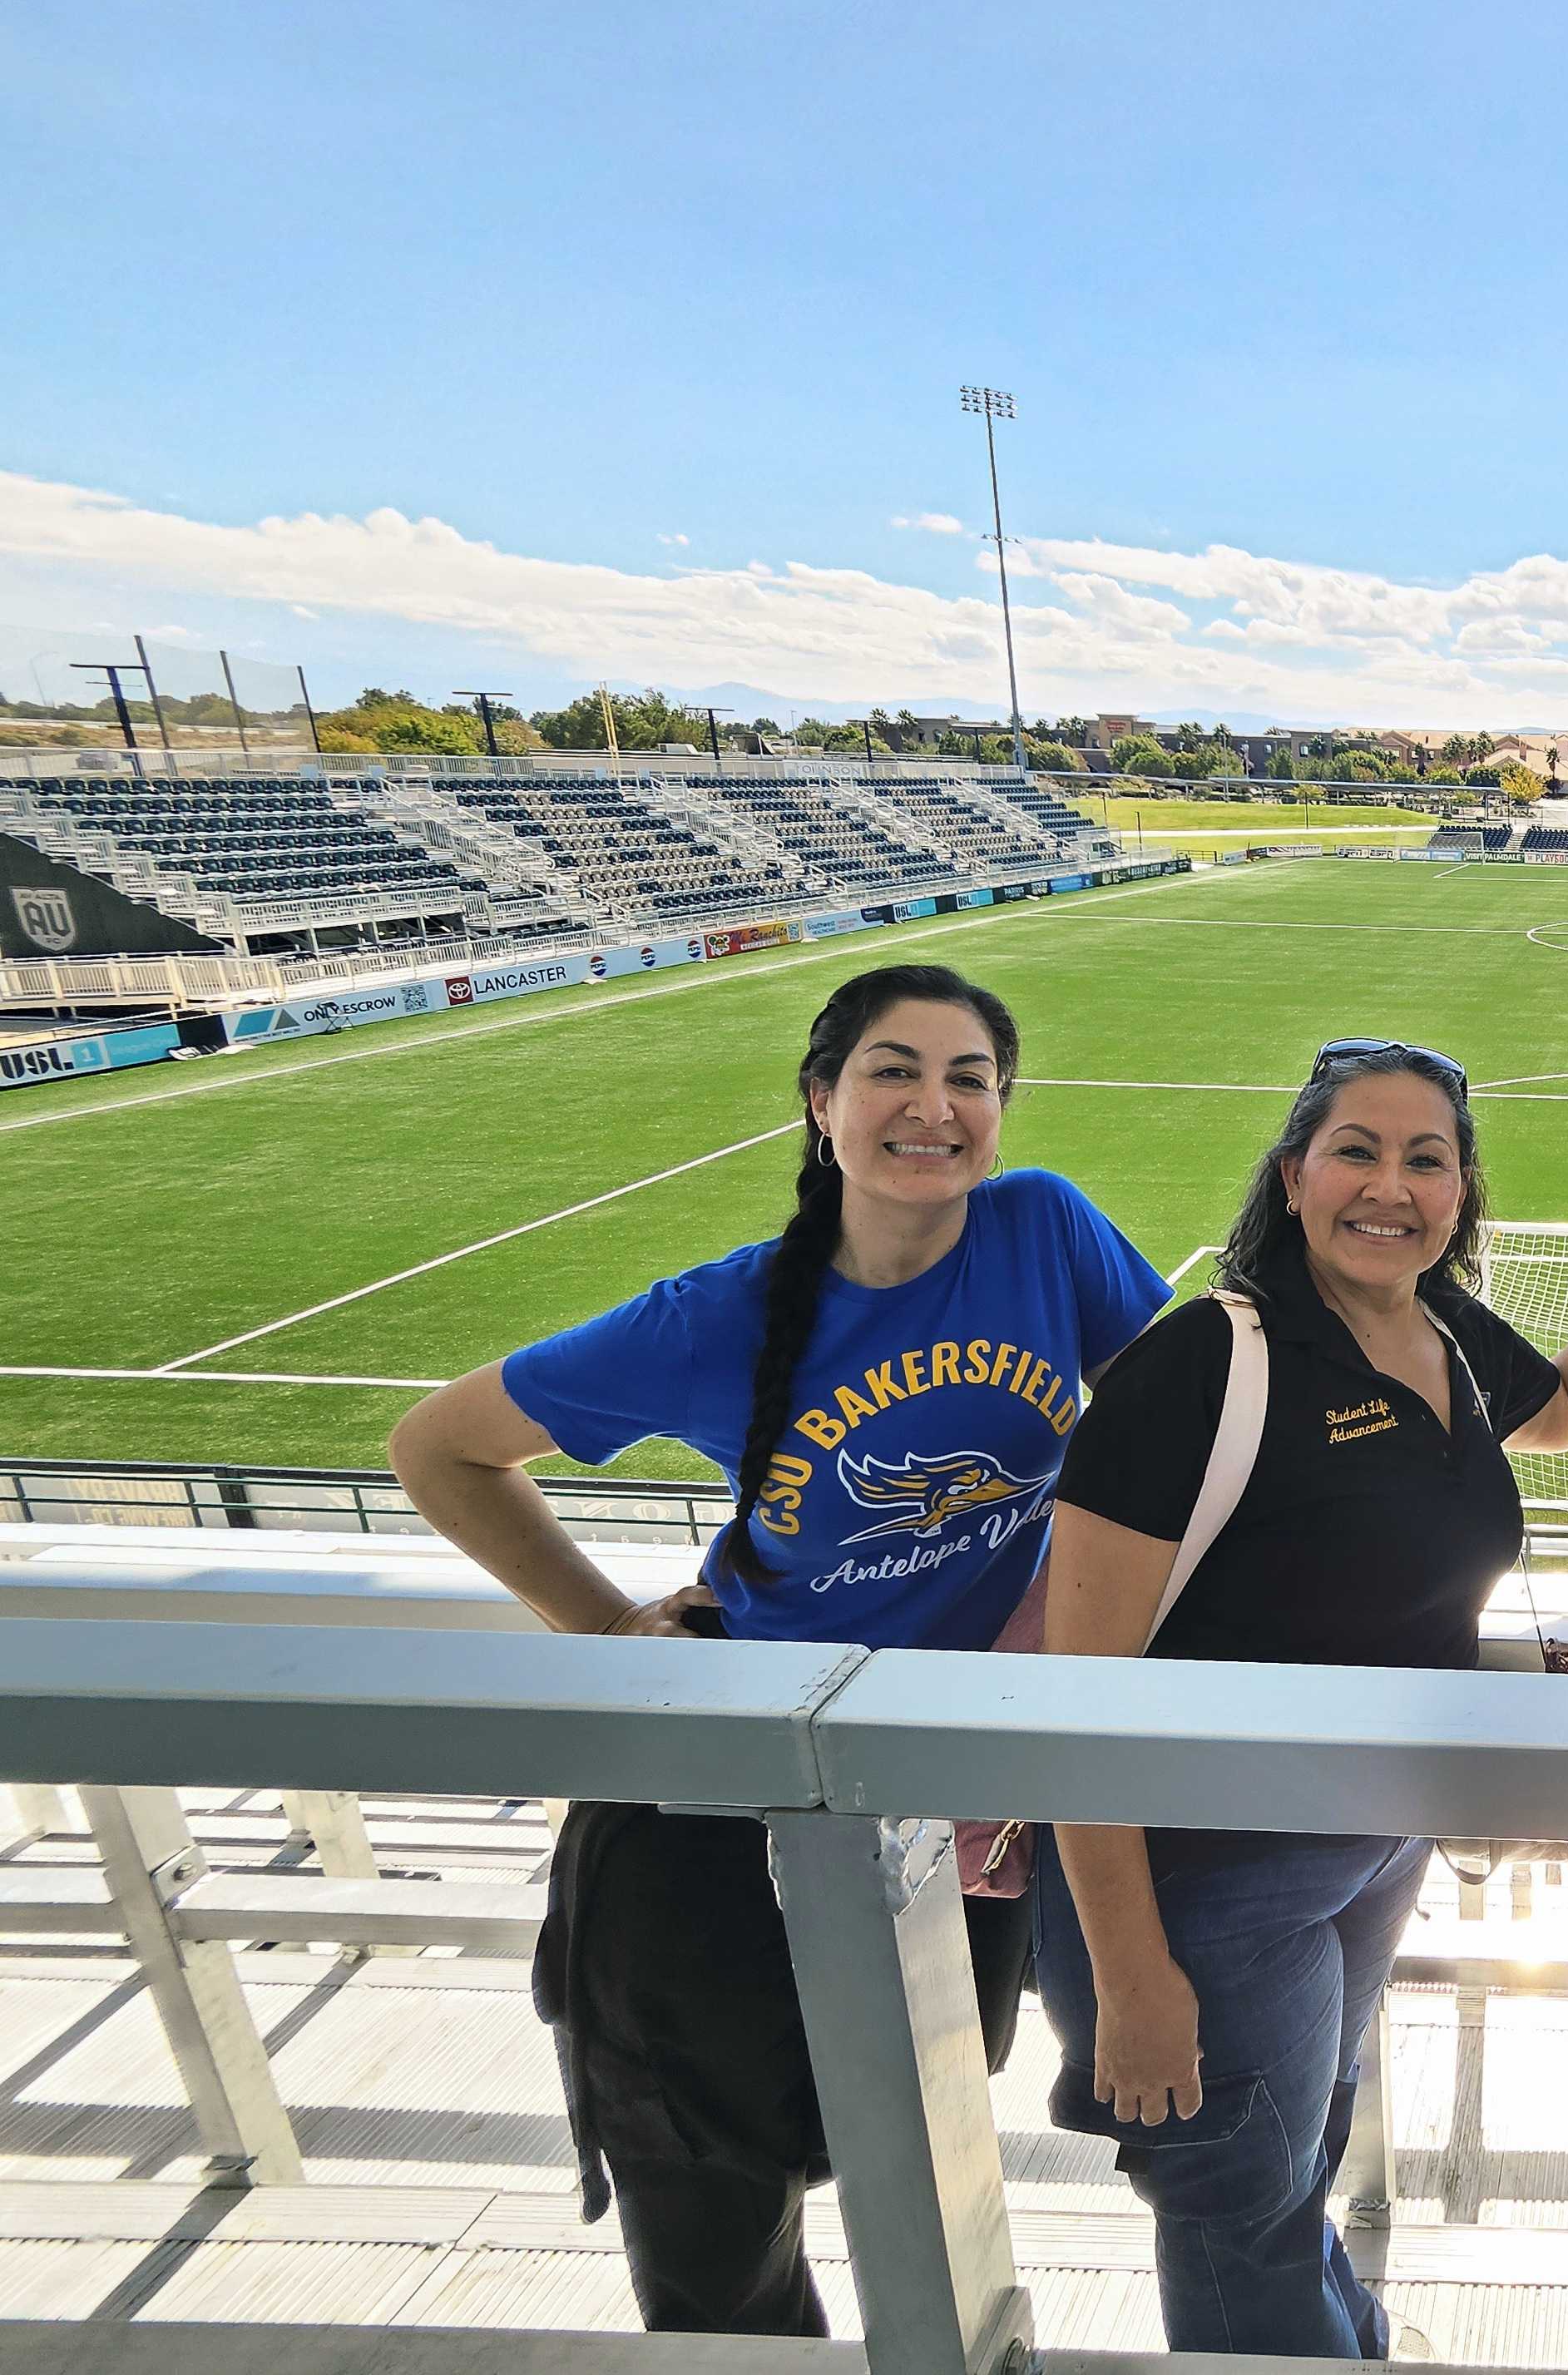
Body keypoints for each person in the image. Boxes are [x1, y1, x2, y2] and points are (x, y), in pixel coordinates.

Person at [384, 961, 1170, 2335]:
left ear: (1002, 1110)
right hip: (718, 1819)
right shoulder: (721, 1315)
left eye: (969, 1078)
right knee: (715, 2218)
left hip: (951, 1807)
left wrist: (1046, 1638)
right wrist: (610, 1627)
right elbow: (440, 1448)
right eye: (893, 1070)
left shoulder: (1046, 1233)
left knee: (915, 2152)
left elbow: (1176, 1439)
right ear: (821, 1102)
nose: (934, 1105)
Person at [1032, 1038, 1568, 2361]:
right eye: (1356, 1150)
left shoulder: (1443, 1328)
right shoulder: (1198, 1370)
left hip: (1374, 1848)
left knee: (1301, 2162)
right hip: (1204, 1890)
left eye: (1427, 1160)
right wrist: (1130, 1973)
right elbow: (1080, 1702)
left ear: (1461, 1196)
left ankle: (1359, 2343)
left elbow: (1566, 1413)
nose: (1389, 1186)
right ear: (1293, 1177)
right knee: (1239, 2208)